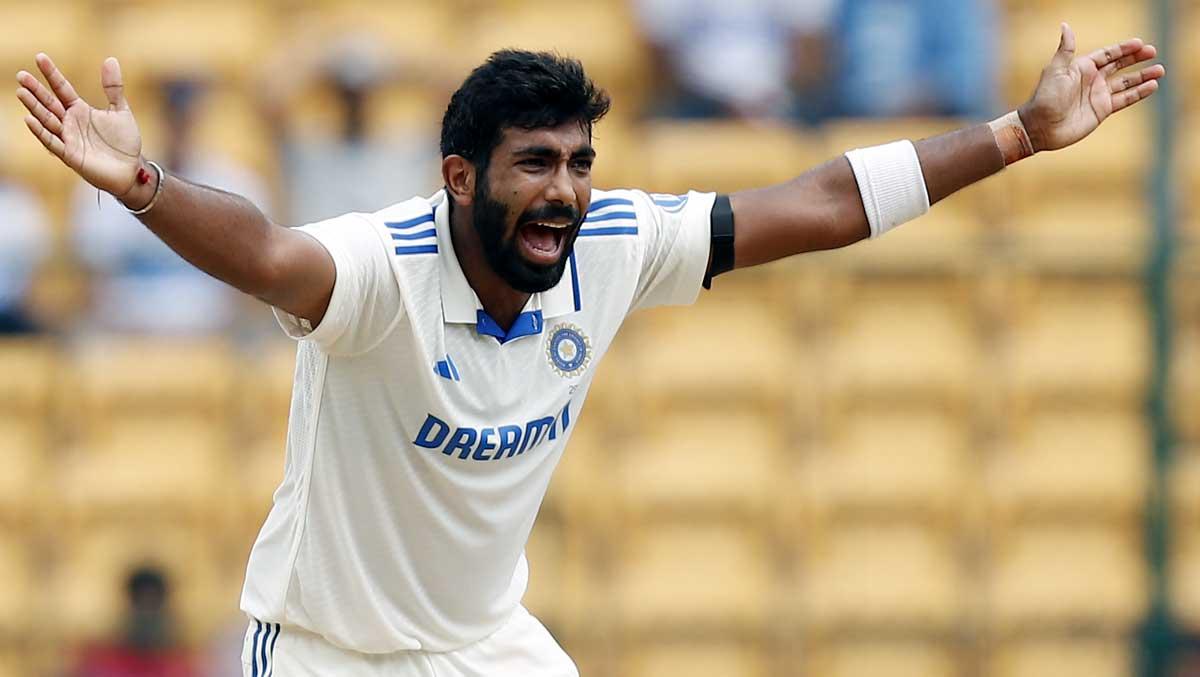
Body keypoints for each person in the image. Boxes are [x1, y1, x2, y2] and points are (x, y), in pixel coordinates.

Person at [15, 23, 1164, 676]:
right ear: (460, 177)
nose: (564, 192)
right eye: (534, 164)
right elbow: (267, 253)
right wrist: (145, 187)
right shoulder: (381, 269)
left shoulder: (612, 241)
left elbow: (816, 201)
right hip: (327, 650)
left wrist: (1017, 135)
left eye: (577, 161)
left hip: (485, 644)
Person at [69, 77, 270, 335]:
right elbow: (92, 280)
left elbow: (252, 280)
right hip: (128, 337)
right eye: (173, 114)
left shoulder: (236, 183)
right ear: (160, 116)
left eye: (186, 115)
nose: (180, 124)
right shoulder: (110, 183)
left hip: (213, 335)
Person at [72, 566, 196, 677]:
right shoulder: (100, 661)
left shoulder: (180, 664)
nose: (147, 613)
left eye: (153, 604)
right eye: (141, 603)